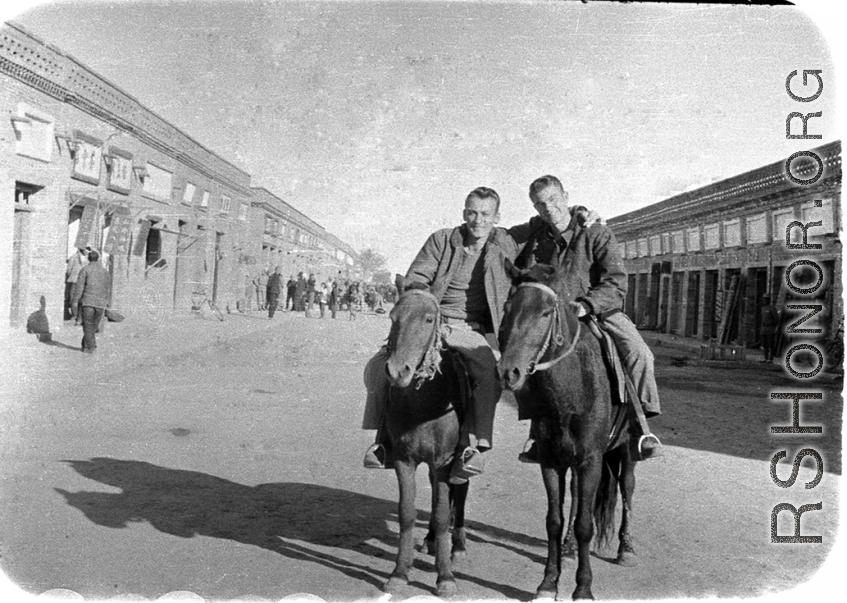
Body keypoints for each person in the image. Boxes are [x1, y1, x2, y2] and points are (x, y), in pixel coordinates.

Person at [362, 187, 516, 483]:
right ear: (463, 213)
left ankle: (474, 446)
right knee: (380, 365)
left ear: (496, 217)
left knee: (487, 370)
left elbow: (539, 228)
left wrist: (577, 215)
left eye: (485, 214)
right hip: (432, 318)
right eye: (471, 212)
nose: (478, 220)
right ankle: (383, 442)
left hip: (470, 327)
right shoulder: (442, 240)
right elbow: (418, 276)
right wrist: (423, 299)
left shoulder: (504, 244)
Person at [508, 175, 663, 461]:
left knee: (640, 353)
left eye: (553, 200)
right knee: (518, 356)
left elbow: (616, 281)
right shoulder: (535, 233)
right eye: (540, 204)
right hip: (551, 314)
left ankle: (639, 427)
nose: (548, 208)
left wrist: (587, 304)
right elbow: (500, 237)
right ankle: (536, 434)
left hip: (597, 311)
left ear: (566, 197)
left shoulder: (596, 232)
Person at [70, 249, 110, 354]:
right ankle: (85, 346)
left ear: (88, 259)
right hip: (100, 302)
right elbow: (107, 288)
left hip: (88, 302)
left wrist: (74, 301)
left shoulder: (85, 270)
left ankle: (91, 346)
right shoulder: (105, 271)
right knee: (94, 325)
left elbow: (79, 288)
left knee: (87, 324)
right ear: (98, 259)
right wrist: (106, 301)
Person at [65, 247, 88, 322]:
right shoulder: (74, 257)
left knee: (83, 299)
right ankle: (75, 315)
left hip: (85, 282)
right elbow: (69, 269)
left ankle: (82, 316)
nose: (87, 251)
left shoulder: (88, 258)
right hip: (75, 281)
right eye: (86, 249)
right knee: (74, 298)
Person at [760, 294, 781, 363]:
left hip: (770, 328)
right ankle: (765, 357)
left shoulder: (772, 308)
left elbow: (776, 319)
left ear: (769, 300)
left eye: (766, 299)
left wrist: (774, 326)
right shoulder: (763, 308)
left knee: (770, 344)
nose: (764, 300)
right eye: (764, 299)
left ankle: (770, 358)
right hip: (764, 329)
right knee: (765, 344)